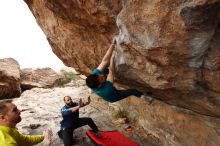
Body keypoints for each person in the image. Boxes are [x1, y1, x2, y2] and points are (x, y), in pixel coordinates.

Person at [86, 38, 149, 103]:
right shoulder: (107, 89)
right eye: (101, 78)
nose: (102, 75)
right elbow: (111, 71)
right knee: (132, 91)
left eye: (99, 75)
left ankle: (93, 89)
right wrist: (112, 58)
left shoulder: (93, 76)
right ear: (99, 85)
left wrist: (112, 45)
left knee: (104, 70)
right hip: (114, 96)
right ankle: (144, 98)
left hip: (100, 86)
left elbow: (104, 60)